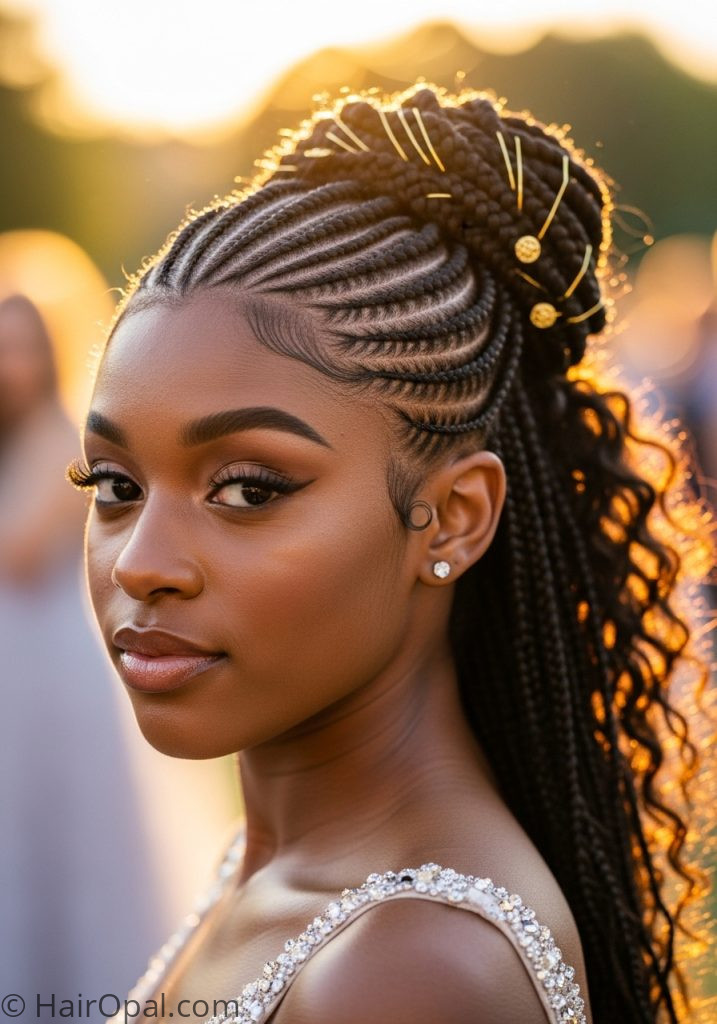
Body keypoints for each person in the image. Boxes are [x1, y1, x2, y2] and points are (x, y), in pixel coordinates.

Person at [68, 84, 714, 1024]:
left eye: (248, 489)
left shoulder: (408, 972)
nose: (140, 563)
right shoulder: (295, 871)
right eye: (115, 486)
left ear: (451, 518)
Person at [0, 294, 164, 1009]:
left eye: (22, 348)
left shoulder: (65, 440)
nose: (11, 365)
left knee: (55, 830)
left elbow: (21, 549)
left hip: (48, 669)